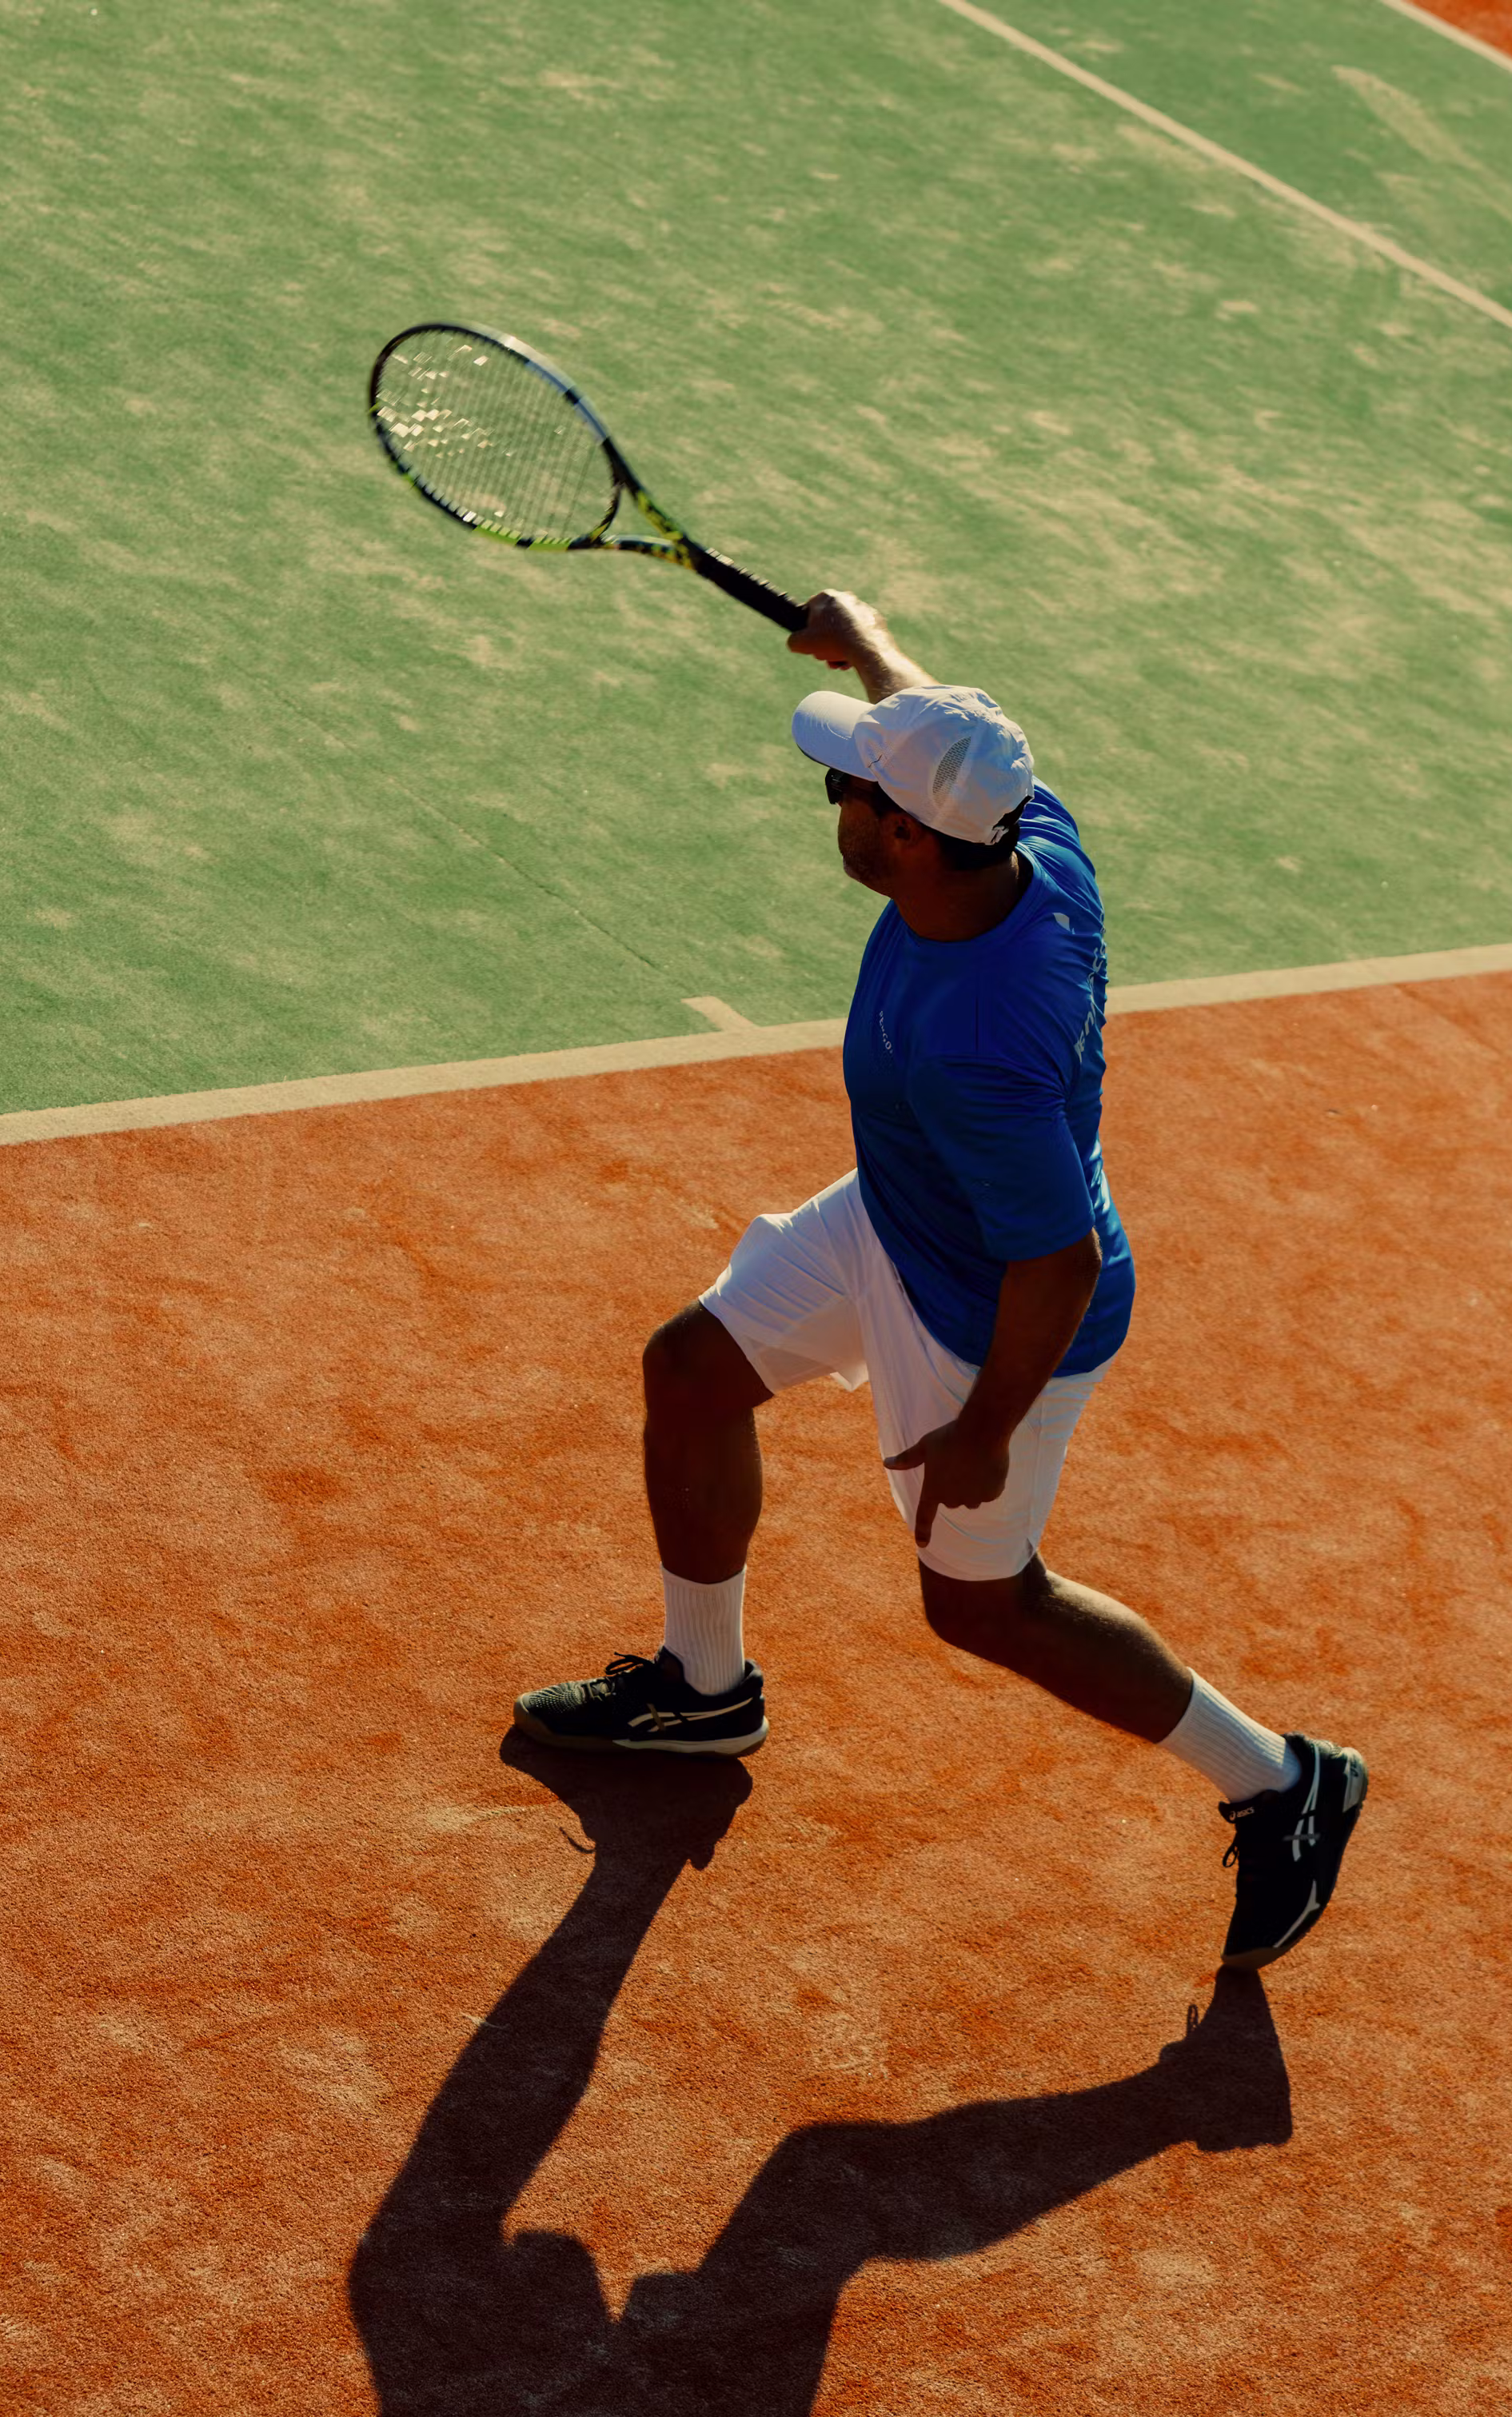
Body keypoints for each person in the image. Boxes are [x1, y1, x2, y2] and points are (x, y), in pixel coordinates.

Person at [514, 592, 1366, 1969]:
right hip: (905, 1220)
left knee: (978, 1603)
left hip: (994, 1312)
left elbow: (1057, 1257)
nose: (830, 805)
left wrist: (980, 1429)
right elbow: (959, 738)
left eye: (844, 790)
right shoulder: (1028, 835)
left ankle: (1284, 1781)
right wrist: (865, 645)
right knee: (691, 1369)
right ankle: (703, 1688)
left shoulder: (977, 1039)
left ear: (905, 837)